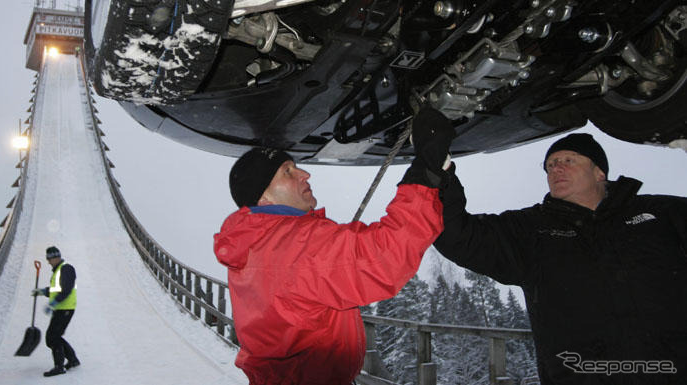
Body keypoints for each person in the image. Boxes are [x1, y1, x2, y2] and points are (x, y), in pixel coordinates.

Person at [213, 106, 455, 385]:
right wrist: (425, 174)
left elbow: (347, 252)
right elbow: (384, 258)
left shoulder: (252, 245)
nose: (305, 174)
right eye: (288, 172)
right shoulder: (294, 245)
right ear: (264, 196)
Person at [429, 131, 687, 384]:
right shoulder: (530, 230)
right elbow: (458, 237)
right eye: (550, 165)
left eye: (569, 161)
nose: (556, 169)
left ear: (599, 172)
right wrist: (440, 170)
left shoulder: (658, 213)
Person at [32, 246, 80, 377]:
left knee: (52, 337)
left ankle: (59, 366)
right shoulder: (59, 270)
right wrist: (43, 292)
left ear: (56, 257)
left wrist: (53, 303)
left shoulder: (66, 269)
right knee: (54, 336)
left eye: (49, 259)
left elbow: (66, 289)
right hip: (61, 308)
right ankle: (73, 360)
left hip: (65, 308)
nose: (48, 262)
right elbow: (56, 289)